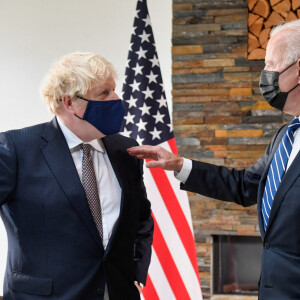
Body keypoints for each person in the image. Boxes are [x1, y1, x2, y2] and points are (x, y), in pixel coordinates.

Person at [128, 19, 300, 300]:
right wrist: (178, 164)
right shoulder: (286, 135)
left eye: (270, 64)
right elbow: (246, 185)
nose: (264, 73)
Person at [0, 52, 154, 300]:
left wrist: (134, 270)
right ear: (70, 103)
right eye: (104, 93)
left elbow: (141, 219)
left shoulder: (125, 149)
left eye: (114, 90)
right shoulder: (15, 149)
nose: (116, 98)